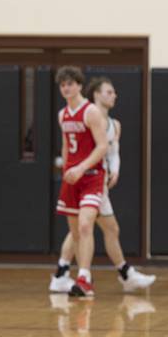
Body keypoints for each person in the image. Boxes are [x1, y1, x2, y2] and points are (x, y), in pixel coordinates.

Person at [49, 77, 156, 293]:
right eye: (109, 91)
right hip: (88, 178)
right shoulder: (86, 114)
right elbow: (79, 147)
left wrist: (115, 169)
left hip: (99, 178)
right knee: (85, 226)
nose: (114, 95)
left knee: (106, 228)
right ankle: (79, 274)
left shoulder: (114, 124)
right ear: (96, 94)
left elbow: (113, 151)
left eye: (114, 92)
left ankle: (119, 273)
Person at [54, 66, 109, 297]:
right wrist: (67, 169)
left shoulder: (91, 111)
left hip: (92, 176)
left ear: (78, 85)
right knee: (76, 232)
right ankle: (82, 276)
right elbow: (67, 145)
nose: (66, 88)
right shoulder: (62, 115)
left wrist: (81, 167)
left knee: (87, 224)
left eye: (70, 83)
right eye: (62, 85)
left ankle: (84, 276)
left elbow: (102, 146)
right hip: (72, 178)